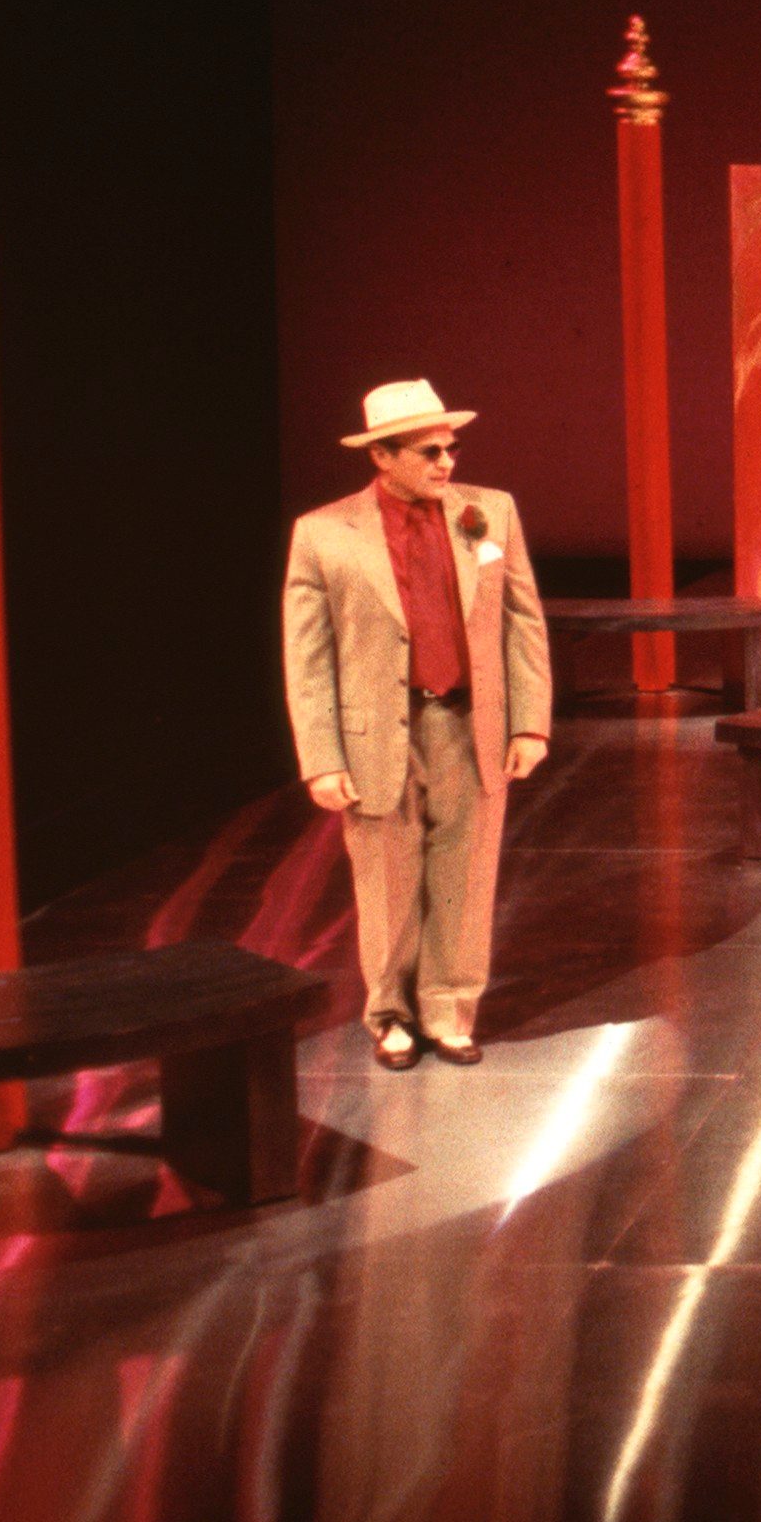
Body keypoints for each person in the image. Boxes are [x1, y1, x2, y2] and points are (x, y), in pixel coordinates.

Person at [283, 380, 551, 1069]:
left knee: (466, 877)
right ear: (382, 455)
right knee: (387, 882)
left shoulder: (490, 512)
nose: (446, 462)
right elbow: (307, 657)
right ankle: (391, 1014)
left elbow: (522, 622)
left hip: (468, 722)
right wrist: (321, 758)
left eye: (450, 447)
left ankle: (449, 1008)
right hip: (378, 732)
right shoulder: (323, 532)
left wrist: (530, 724)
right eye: (429, 451)